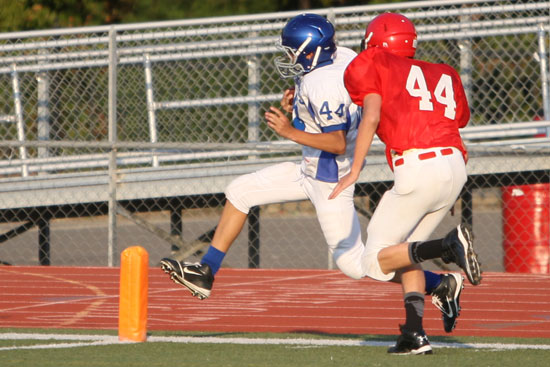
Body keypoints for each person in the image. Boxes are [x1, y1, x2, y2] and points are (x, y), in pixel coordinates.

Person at [160, 13, 466, 336]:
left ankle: (442, 283)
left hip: (329, 179)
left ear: (311, 50)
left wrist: (290, 130)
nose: (289, 59)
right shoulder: (344, 57)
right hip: (309, 168)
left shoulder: (322, 83)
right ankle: (206, 270)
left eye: (293, 52)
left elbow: (335, 141)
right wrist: (301, 107)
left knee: (358, 265)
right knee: (241, 191)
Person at [329, 13, 482, 355]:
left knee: (373, 262)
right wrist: (446, 185)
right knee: (406, 252)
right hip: (453, 166)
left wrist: (355, 170)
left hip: (417, 166)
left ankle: (448, 245)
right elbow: (455, 122)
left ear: (376, 43)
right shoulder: (444, 72)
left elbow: (370, 115)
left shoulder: (373, 61)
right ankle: (414, 334)